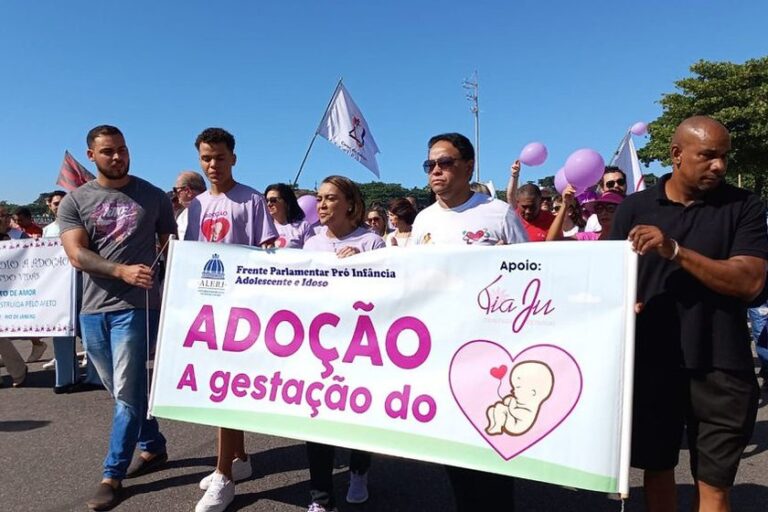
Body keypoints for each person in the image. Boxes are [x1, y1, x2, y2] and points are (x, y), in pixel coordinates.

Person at [610, 116, 768, 512]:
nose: (719, 165)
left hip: (723, 366)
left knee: (714, 485)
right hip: (651, 363)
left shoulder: (744, 206)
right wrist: (623, 303)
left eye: (724, 157)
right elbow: (609, 279)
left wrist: (676, 251)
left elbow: (749, 281)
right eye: (708, 156)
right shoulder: (634, 208)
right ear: (677, 154)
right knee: (657, 471)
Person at [58, 125, 176, 511]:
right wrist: (120, 271)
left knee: (126, 393)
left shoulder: (154, 196)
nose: (118, 157)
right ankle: (153, 445)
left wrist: (165, 278)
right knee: (121, 390)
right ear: (91, 155)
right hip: (93, 310)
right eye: (108, 151)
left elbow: (170, 246)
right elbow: (76, 254)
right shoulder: (75, 201)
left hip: (138, 308)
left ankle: (112, 475)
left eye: (122, 149)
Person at [411, 132, 527, 511]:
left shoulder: (498, 213)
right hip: (440, 350)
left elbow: (531, 274)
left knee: (493, 443)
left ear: (468, 166)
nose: (436, 171)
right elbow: (409, 281)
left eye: (445, 162)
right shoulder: (423, 221)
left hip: (490, 351)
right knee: (456, 447)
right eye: (430, 164)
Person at [184, 127, 277, 512]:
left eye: (220, 157)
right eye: (206, 158)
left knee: (225, 388)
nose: (213, 165)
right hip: (208, 308)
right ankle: (238, 458)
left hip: (242, 310)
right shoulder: (195, 206)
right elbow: (191, 255)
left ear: (233, 158)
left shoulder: (252, 200)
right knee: (217, 387)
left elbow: (268, 253)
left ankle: (223, 474)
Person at [303, 175, 385, 512]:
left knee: (356, 414)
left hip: (359, 346)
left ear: (350, 204)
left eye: (330, 198)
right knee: (316, 416)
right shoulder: (311, 244)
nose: (321, 205)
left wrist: (361, 265)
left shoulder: (372, 243)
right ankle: (320, 497)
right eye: (319, 198)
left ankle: (359, 470)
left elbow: (388, 296)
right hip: (319, 345)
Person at [547, 185, 622, 241]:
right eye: (599, 208)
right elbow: (552, 242)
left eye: (610, 208)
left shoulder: (628, 239)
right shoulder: (588, 238)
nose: (604, 213)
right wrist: (565, 204)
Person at [265, 183, 314, 248]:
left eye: (273, 200)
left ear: (286, 202)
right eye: (266, 201)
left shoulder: (303, 226)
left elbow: (311, 251)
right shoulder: (264, 227)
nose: (269, 204)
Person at [585, 166, 628, 232]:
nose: (616, 185)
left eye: (620, 182)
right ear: (602, 189)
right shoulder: (594, 220)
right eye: (610, 184)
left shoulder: (637, 209)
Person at [174, 170, 207, 238]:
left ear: (187, 191)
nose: (175, 194)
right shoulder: (181, 215)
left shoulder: (210, 212)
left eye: (176, 190)